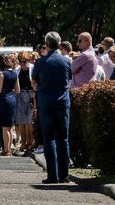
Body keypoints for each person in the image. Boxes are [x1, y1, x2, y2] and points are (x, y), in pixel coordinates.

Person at [31, 31, 72, 184]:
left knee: (49, 139)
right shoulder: (66, 61)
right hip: (62, 103)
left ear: (46, 45)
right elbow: (69, 79)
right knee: (63, 138)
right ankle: (64, 175)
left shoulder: (41, 62)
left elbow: (34, 81)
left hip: (46, 103)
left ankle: (52, 175)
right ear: (59, 44)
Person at [0, 54, 20, 156]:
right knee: (10, 126)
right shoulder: (15, 73)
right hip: (12, 98)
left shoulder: (1, 73)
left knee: (4, 126)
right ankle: (9, 148)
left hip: (4, 98)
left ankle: (6, 149)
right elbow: (17, 89)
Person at [15, 51, 35, 153]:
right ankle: (23, 143)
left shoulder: (33, 69)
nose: (22, 63)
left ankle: (30, 142)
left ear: (29, 60)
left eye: (25, 61)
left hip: (31, 95)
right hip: (20, 96)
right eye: (21, 61)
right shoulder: (17, 70)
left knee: (30, 121)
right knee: (22, 121)